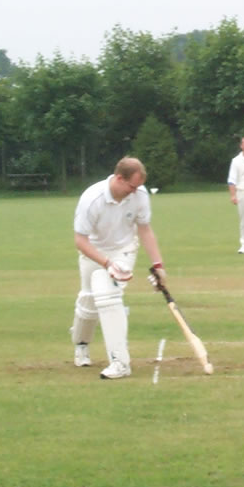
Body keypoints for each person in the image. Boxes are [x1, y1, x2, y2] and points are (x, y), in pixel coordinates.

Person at [69, 156, 167, 379]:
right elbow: (80, 240)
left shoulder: (139, 196)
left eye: (139, 187)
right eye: (132, 186)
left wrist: (158, 265)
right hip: (93, 251)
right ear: (119, 178)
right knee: (89, 300)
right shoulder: (92, 199)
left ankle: (120, 362)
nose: (135, 192)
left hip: (124, 250)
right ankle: (81, 345)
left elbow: (145, 230)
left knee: (109, 296)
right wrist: (106, 263)